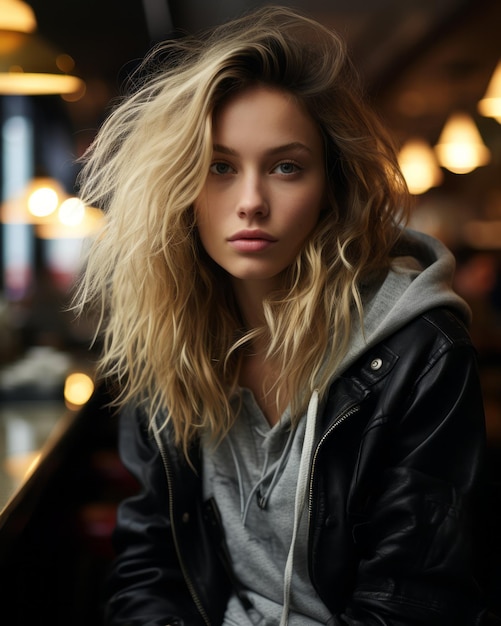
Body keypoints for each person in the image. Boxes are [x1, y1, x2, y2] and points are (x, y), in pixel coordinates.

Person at [75, 6, 488, 625]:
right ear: (179, 187)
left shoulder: (420, 354)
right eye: (219, 167)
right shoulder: (168, 340)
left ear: (332, 188)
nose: (250, 202)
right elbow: (149, 565)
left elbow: (411, 604)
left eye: (286, 167)